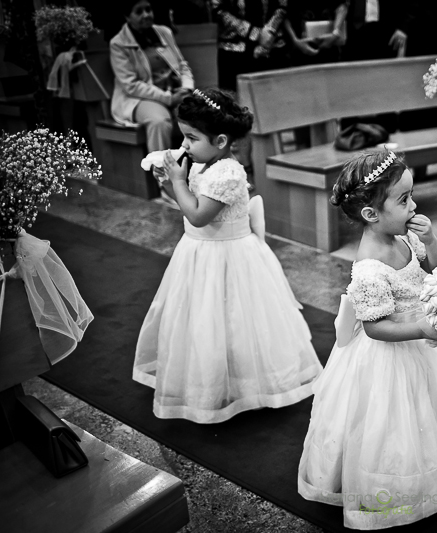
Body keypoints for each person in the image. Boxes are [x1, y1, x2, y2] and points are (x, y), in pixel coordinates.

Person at [298, 150, 437, 529]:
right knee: (394, 423)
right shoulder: (368, 267)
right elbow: (374, 328)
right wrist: (422, 329)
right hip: (389, 356)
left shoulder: (405, 239)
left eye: (411, 195)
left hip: (421, 347)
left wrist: (431, 240)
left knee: (436, 411)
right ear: (371, 215)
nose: (414, 205)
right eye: (404, 200)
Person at [133, 88, 323, 423]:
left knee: (239, 319)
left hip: (231, 256)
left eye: (192, 138)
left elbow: (197, 215)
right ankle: (208, 377)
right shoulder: (200, 164)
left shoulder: (228, 173)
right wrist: (168, 179)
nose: (185, 145)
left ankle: (247, 382)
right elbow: (184, 200)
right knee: (203, 318)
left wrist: (177, 181)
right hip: (198, 255)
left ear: (221, 140)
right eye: (184, 136)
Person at [110, 0, 193, 204]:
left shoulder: (163, 32)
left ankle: (201, 176)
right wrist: (168, 99)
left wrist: (187, 88)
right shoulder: (118, 43)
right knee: (159, 122)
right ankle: (166, 187)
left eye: (148, 9)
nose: (146, 14)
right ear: (127, 17)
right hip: (138, 98)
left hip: (172, 91)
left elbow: (182, 65)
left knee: (199, 113)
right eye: (139, 11)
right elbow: (131, 85)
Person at [212, 0, 289, 91]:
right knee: (236, 99)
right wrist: (252, 32)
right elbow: (217, 8)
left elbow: (283, 5)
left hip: (272, 44)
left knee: (278, 97)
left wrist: (271, 29)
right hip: (234, 48)